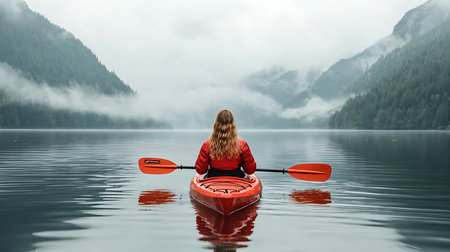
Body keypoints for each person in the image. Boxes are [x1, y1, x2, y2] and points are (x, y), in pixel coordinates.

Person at [195, 109, 256, 178]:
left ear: (216, 125)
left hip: (213, 178)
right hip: (237, 179)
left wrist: (209, 167)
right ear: (233, 125)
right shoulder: (242, 144)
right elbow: (250, 170)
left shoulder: (207, 144)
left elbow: (200, 170)